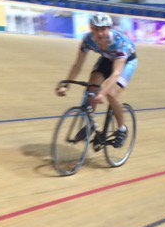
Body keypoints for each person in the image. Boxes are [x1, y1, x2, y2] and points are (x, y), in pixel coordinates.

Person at [55, 13, 137, 146]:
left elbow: (116, 73)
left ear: (109, 28)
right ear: (91, 28)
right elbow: (77, 65)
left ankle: (122, 129)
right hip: (107, 58)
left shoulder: (119, 42)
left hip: (126, 62)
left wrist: (103, 93)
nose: (99, 33)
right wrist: (66, 84)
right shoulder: (88, 40)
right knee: (92, 87)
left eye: (103, 29)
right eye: (96, 29)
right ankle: (90, 124)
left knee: (111, 93)